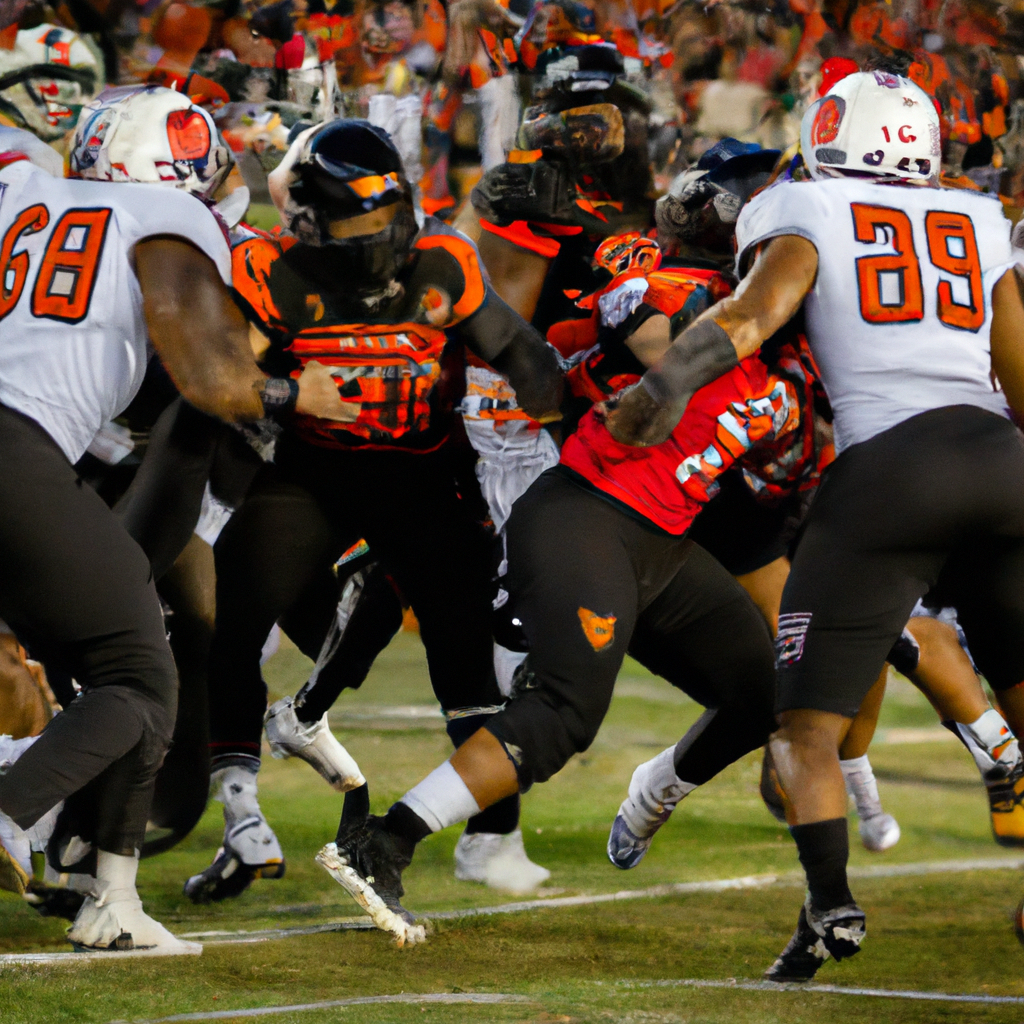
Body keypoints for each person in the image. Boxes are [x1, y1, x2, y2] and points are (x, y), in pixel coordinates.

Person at [313, 151, 817, 945]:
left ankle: (655, 788)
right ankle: (383, 840)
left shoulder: (806, 351)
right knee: (562, 713)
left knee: (760, 691)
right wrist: (729, 318)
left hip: (661, 540)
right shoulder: (694, 293)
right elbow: (642, 330)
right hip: (587, 514)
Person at [606, 68, 1024, 981]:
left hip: (891, 472)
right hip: (1002, 464)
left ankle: (830, 906)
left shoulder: (806, 204)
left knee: (804, 727)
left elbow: (755, 313)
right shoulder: (980, 219)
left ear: (832, 133)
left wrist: (668, 382)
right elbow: (1018, 370)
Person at [0, 88, 347, 952]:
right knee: (140, 676)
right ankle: (11, 810)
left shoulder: (25, 193)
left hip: (35, 450)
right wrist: (287, 391)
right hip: (19, 448)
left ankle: (110, 900)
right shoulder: (162, 213)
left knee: (124, 661)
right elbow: (205, 373)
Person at [185, 117, 563, 903]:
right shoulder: (274, 272)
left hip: (426, 475)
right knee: (237, 605)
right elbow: (219, 375)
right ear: (306, 222)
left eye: (381, 214)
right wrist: (283, 389)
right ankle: (241, 813)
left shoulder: (441, 262)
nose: (374, 235)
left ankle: (490, 837)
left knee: (466, 659)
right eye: (352, 220)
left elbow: (521, 350)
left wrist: (557, 414)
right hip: (314, 471)